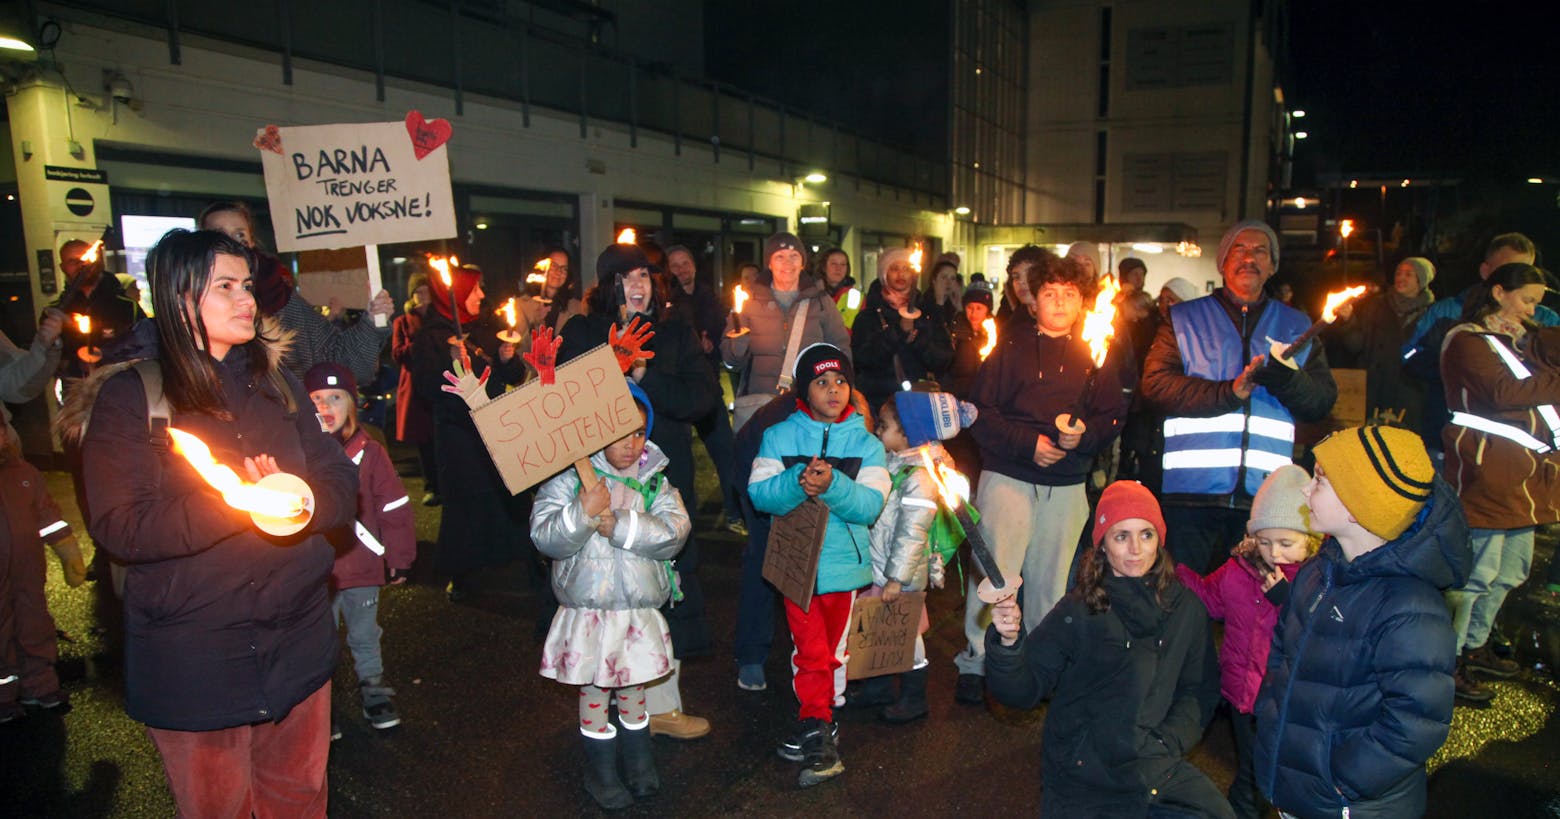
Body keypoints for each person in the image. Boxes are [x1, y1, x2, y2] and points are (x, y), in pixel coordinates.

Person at [65, 228, 358, 816]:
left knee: (300, 800)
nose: (246, 298)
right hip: (195, 655)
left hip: (297, 641)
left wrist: (293, 500)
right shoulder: (133, 399)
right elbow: (121, 527)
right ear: (177, 298)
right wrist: (232, 504)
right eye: (225, 286)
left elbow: (339, 486)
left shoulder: (277, 386)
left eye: (246, 285)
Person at [1255, 426, 1471, 819]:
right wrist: (1270, 714)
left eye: (1320, 480)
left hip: (1349, 803)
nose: (1306, 490)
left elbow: (1416, 721)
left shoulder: (1408, 607)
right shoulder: (1317, 572)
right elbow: (1283, 651)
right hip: (1300, 788)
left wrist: (1343, 781)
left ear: (1358, 504)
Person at [986, 481, 1230, 819]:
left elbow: (1199, 689)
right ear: (1102, 547)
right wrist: (1009, 644)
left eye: (1146, 534)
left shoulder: (1186, 609)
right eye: (1121, 536)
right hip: (1084, 768)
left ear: (1160, 539)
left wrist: (1166, 743)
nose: (1136, 549)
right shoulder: (1079, 609)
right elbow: (1022, 690)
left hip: (1152, 763)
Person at [953, 247, 1131, 706]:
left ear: (1082, 302)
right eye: (1050, 292)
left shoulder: (1097, 352)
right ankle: (978, 660)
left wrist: (1083, 437)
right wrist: (1027, 444)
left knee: (1051, 582)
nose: (1058, 302)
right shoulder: (1010, 348)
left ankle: (1038, 664)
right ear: (1033, 301)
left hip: (1068, 483)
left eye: (1069, 293)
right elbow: (980, 413)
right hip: (1010, 476)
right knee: (996, 573)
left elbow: (1113, 414)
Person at [558, 242, 718, 741]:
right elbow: (558, 399)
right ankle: (603, 705)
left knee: (660, 592)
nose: (639, 283)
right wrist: (612, 366)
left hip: (657, 482)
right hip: (599, 487)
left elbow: (703, 397)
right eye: (626, 276)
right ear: (607, 285)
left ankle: (663, 706)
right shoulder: (583, 332)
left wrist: (648, 374)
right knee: (604, 595)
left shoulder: (674, 330)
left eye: (645, 275)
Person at [1141, 220, 1337, 575]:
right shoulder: (1184, 318)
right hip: (1190, 497)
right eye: (1239, 249)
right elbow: (1155, 385)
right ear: (1222, 262)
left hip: (1265, 497)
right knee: (1184, 604)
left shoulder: (1297, 325)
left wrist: (1287, 380)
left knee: (1254, 606)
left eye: (1260, 251)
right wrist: (1227, 393)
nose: (1249, 258)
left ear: (1273, 266)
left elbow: (1322, 400)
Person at [530, 383, 690, 810]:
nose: (631, 443)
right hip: (590, 612)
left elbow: (675, 533)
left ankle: (638, 764)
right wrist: (582, 512)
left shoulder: (654, 480)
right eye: (620, 432)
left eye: (638, 432)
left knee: (634, 688)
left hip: (636, 612)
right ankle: (600, 772)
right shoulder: (570, 478)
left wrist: (620, 525)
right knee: (597, 693)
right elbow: (546, 537)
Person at [749, 343, 889, 788]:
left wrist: (831, 486)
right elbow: (759, 494)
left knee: (833, 653)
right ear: (803, 390)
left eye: (841, 381)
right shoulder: (778, 436)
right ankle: (818, 728)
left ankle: (819, 722)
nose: (833, 390)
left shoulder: (867, 443)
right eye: (822, 382)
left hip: (844, 568)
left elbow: (869, 506)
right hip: (797, 565)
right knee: (810, 652)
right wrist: (796, 481)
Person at [724, 234, 851, 693]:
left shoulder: (820, 303)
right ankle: (753, 652)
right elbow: (730, 360)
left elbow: (841, 355)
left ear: (803, 260)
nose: (787, 261)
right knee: (762, 544)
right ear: (768, 262)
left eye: (794, 253)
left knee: (811, 539)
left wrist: (837, 398)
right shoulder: (749, 301)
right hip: (759, 426)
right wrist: (734, 341)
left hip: (805, 425)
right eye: (778, 254)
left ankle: (817, 653)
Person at [1439, 262, 1560, 702]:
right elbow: (1507, 393)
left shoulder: (1523, 342)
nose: (1535, 311)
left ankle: (1477, 644)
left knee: (1510, 572)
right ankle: (1449, 661)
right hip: (1486, 472)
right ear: (1498, 293)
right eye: (1527, 300)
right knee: (1476, 575)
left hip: (1527, 476)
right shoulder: (1467, 341)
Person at [1175, 465, 1318, 819]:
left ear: (1311, 540)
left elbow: (1321, 634)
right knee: (1252, 774)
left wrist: (1287, 599)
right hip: (1240, 695)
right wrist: (1172, 573)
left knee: (1263, 776)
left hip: (1284, 701)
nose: (1275, 554)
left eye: (1287, 543)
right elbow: (1209, 597)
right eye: (1265, 542)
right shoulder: (1239, 569)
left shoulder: (1316, 579)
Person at [849, 391, 973, 724]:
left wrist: (896, 579)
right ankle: (877, 687)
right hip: (881, 565)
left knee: (907, 635)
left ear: (908, 434)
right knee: (878, 628)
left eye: (885, 426)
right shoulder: (897, 460)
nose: (878, 431)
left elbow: (912, 533)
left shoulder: (920, 478)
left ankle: (914, 695)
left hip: (900, 575)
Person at [305, 362, 415, 734]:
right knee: (317, 640)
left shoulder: (371, 452)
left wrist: (399, 558)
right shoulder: (299, 453)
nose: (326, 406)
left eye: (335, 397)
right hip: (318, 571)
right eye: (316, 398)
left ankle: (374, 691)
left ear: (352, 403)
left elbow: (394, 507)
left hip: (362, 567)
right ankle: (322, 705)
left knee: (365, 635)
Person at [409, 260, 528, 601]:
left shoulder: (481, 330)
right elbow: (427, 388)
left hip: (491, 429)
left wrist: (507, 358)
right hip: (458, 435)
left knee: (502, 494)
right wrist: (451, 361)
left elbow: (509, 377)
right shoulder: (430, 338)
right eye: (474, 289)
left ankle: (512, 560)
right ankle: (461, 573)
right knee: (465, 502)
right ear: (457, 296)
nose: (481, 295)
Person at [198, 201, 393, 385]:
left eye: (240, 236)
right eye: (219, 235)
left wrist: (372, 321)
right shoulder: (189, 306)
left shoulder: (279, 297)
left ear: (252, 242)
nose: (232, 244)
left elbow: (342, 361)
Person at [1403, 232, 1555, 451]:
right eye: (1511, 270)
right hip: (1461, 443)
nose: (1523, 277)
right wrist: (1459, 373)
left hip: (1531, 446)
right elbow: (1410, 358)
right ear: (1488, 274)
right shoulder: (1450, 316)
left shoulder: (1544, 320)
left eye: (1528, 270)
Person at [0, 403, 86, 723]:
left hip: (26, 573)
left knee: (35, 624)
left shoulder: (24, 474)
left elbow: (48, 517)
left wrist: (68, 552)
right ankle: (4, 694)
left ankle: (40, 685)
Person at [666, 244, 745, 535]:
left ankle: (734, 511)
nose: (681, 270)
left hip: (707, 387)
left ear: (694, 266)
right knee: (679, 458)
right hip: (677, 390)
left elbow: (721, 331)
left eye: (685, 263)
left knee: (725, 452)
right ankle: (681, 519)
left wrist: (712, 341)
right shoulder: (667, 302)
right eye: (674, 265)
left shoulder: (710, 298)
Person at [1331, 257, 1436, 428]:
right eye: (1399, 273)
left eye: (1408, 274)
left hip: (1409, 397)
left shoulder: (1431, 314)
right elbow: (1357, 345)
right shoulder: (1377, 305)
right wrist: (1348, 320)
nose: (1401, 278)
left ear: (1421, 280)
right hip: (1374, 392)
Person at [851, 247, 954, 413]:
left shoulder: (927, 312)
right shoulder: (868, 316)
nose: (900, 275)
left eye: (906, 269)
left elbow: (943, 359)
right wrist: (897, 332)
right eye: (894, 269)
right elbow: (862, 359)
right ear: (884, 273)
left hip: (919, 404)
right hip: (880, 405)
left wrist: (917, 339)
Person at [392, 273, 440, 506]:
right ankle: (431, 485)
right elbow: (398, 353)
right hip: (414, 388)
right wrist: (418, 343)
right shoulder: (403, 321)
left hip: (438, 383)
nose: (422, 296)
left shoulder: (439, 317)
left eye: (425, 291)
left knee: (442, 438)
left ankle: (446, 484)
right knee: (425, 441)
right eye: (417, 292)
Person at [919, 251, 963, 337]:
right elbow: (934, 335)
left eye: (952, 278)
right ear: (934, 280)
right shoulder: (924, 303)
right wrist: (939, 303)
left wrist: (959, 308)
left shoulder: (954, 303)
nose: (948, 282)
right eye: (944, 277)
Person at [816, 248, 861, 330]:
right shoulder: (810, 294)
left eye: (843, 264)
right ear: (823, 267)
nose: (838, 268)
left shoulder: (857, 297)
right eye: (833, 264)